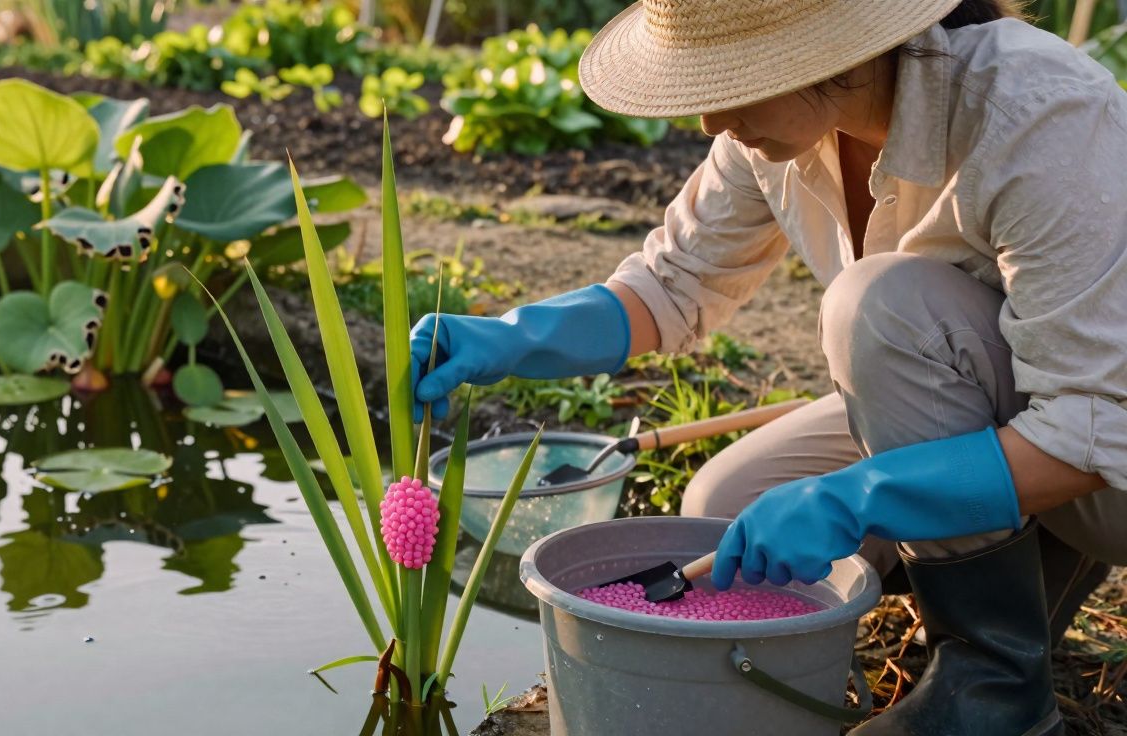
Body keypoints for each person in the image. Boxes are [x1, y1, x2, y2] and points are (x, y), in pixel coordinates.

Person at [409, 0, 1127, 733]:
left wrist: (855, 498)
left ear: (838, 52)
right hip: (1005, 404)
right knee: (728, 502)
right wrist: (510, 338)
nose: (707, 122)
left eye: (732, 81)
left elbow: (1093, 427)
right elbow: (672, 283)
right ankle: (1019, 580)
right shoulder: (784, 134)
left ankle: (997, 688)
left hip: (1108, 463)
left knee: (878, 306)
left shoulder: (1037, 111)